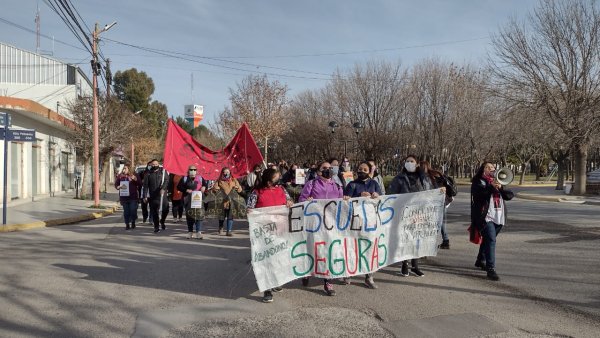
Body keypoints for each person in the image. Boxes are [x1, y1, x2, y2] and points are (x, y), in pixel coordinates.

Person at [247, 168, 294, 303]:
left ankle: (276, 281)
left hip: (280, 230)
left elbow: (289, 200)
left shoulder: (281, 190)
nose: (279, 179)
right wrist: (250, 211)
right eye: (276, 178)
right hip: (264, 232)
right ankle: (267, 289)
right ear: (268, 182)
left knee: (278, 257)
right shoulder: (256, 192)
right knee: (266, 260)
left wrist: (289, 202)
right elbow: (249, 207)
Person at [298, 161, 343, 296]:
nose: (327, 170)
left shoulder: (337, 186)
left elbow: (342, 205)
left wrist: (346, 199)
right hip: (314, 225)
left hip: (331, 226)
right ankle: (307, 272)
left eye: (329, 168)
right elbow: (301, 200)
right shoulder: (311, 184)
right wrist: (307, 201)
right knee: (312, 249)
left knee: (328, 252)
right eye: (324, 168)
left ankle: (328, 281)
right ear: (318, 171)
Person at [388, 155, 433, 277]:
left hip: (420, 213)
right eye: (407, 161)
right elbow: (392, 194)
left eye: (411, 161)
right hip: (404, 213)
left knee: (417, 239)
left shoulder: (424, 178)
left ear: (417, 164)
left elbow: (430, 193)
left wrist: (440, 192)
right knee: (405, 239)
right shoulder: (399, 178)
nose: (409, 163)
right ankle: (404, 264)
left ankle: (415, 265)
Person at [471, 162, 514, 281]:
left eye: (493, 167)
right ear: (483, 169)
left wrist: (500, 188)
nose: (492, 169)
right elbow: (478, 196)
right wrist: (491, 186)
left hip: (499, 216)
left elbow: (510, 196)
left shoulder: (499, 182)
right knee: (491, 239)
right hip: (485, 216)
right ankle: (491, 269)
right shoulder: (479, 181)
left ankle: (480, 260)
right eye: (488, 167)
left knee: (488, 239)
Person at [343, 161, 382, 289]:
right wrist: (358, 196)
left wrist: (376, 196)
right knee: (353, 247)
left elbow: (381, 200)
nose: (362, 171)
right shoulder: (352, 184)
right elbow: (345, 201)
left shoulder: (374, 184)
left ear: (369, 171)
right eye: (360, 169)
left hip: (370, 222)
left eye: (365, 169)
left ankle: (369, 276)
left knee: (369, 249)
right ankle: (348, 272)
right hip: (355, 222)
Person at [420, 160, 455, 249]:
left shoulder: (426, 177)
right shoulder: (437, 173)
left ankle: (430, 242)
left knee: (430, 222)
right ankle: (445, 240)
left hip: (434, 201)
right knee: (441, 221)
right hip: (443, 200)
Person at [178, 165, 206, 239]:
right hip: (188, 200)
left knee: (199, 215)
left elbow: (205, 184)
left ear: (196, 170)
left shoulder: (200, 178)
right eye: (191, 169)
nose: (193, 171)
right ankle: (190, 232)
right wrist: (186, 190)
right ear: (188, 170)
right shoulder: (184, 178)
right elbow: (179, 187)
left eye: (194, 169)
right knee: (190, 216)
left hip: (199, 199)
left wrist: (204, 187)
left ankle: (198, 232)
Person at [213, 167, 243, 236]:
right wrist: (217, 189)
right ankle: (220, 227)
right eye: (224, 172)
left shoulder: (234, 180)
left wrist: (237, 188)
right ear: (222, 173)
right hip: (222, 201)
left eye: (227, 172)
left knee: (230, 216)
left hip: (231, 201)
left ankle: (229, 231)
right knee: (222, 216)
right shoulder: (219, 180)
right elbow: (214, 189)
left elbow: (240, 189)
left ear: (230, 172)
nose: (226, 173)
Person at [142, 159, 170, 233]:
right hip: (153, 196)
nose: (154, 165)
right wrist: (144, 196)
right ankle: (156, 226)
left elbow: (166, 181)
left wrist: (163, 189)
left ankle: (162, 221)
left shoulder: (163, 171)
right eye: (152, 164)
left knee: (166, 209)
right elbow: (145, 186)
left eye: (155, 164)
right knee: (155, 212)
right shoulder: (148, 174)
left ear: (158, 164)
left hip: (162, 195)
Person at [115, 165, 140, 230]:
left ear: (129, 169)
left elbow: (140, 184)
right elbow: (116, 184)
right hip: (124, 197)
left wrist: (135, 179)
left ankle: (133, 221)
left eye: (125, 168)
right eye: (123, 168)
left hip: (133, 197)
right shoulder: (120, 176)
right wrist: (118, 187)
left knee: (132, 210)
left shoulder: (135, 175)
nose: (124, 170)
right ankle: (127, 224)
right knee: (126, 212)